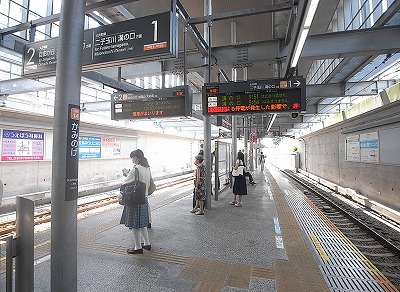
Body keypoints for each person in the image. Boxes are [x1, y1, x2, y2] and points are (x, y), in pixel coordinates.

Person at [120, 149, 152, 254]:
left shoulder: (136, 169)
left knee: (134, 225)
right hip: (144, 199)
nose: (132, 160)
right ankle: (147, 244)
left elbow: (126, 182)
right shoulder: (147, 168)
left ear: (136, 157)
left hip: (135, 200)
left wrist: (126, 174)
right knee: (142, 224)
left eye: (132, 158)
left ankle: (137, 247)